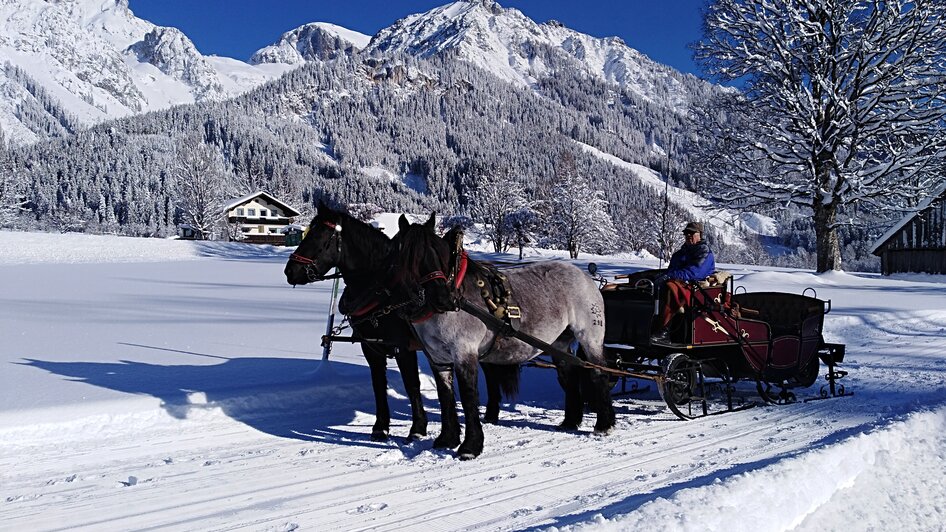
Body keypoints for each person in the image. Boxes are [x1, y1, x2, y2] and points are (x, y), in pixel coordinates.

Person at [651, 221, 716, 343]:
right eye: (686, 233)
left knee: (671, 288)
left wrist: (669, 276)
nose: (689, 235)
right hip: (682, 283)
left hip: (698, 288)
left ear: (700, 234)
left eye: (692, 233)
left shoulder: (704, 253)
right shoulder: (679, 254)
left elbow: (695, 273)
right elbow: (672, 270)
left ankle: (664, 331)